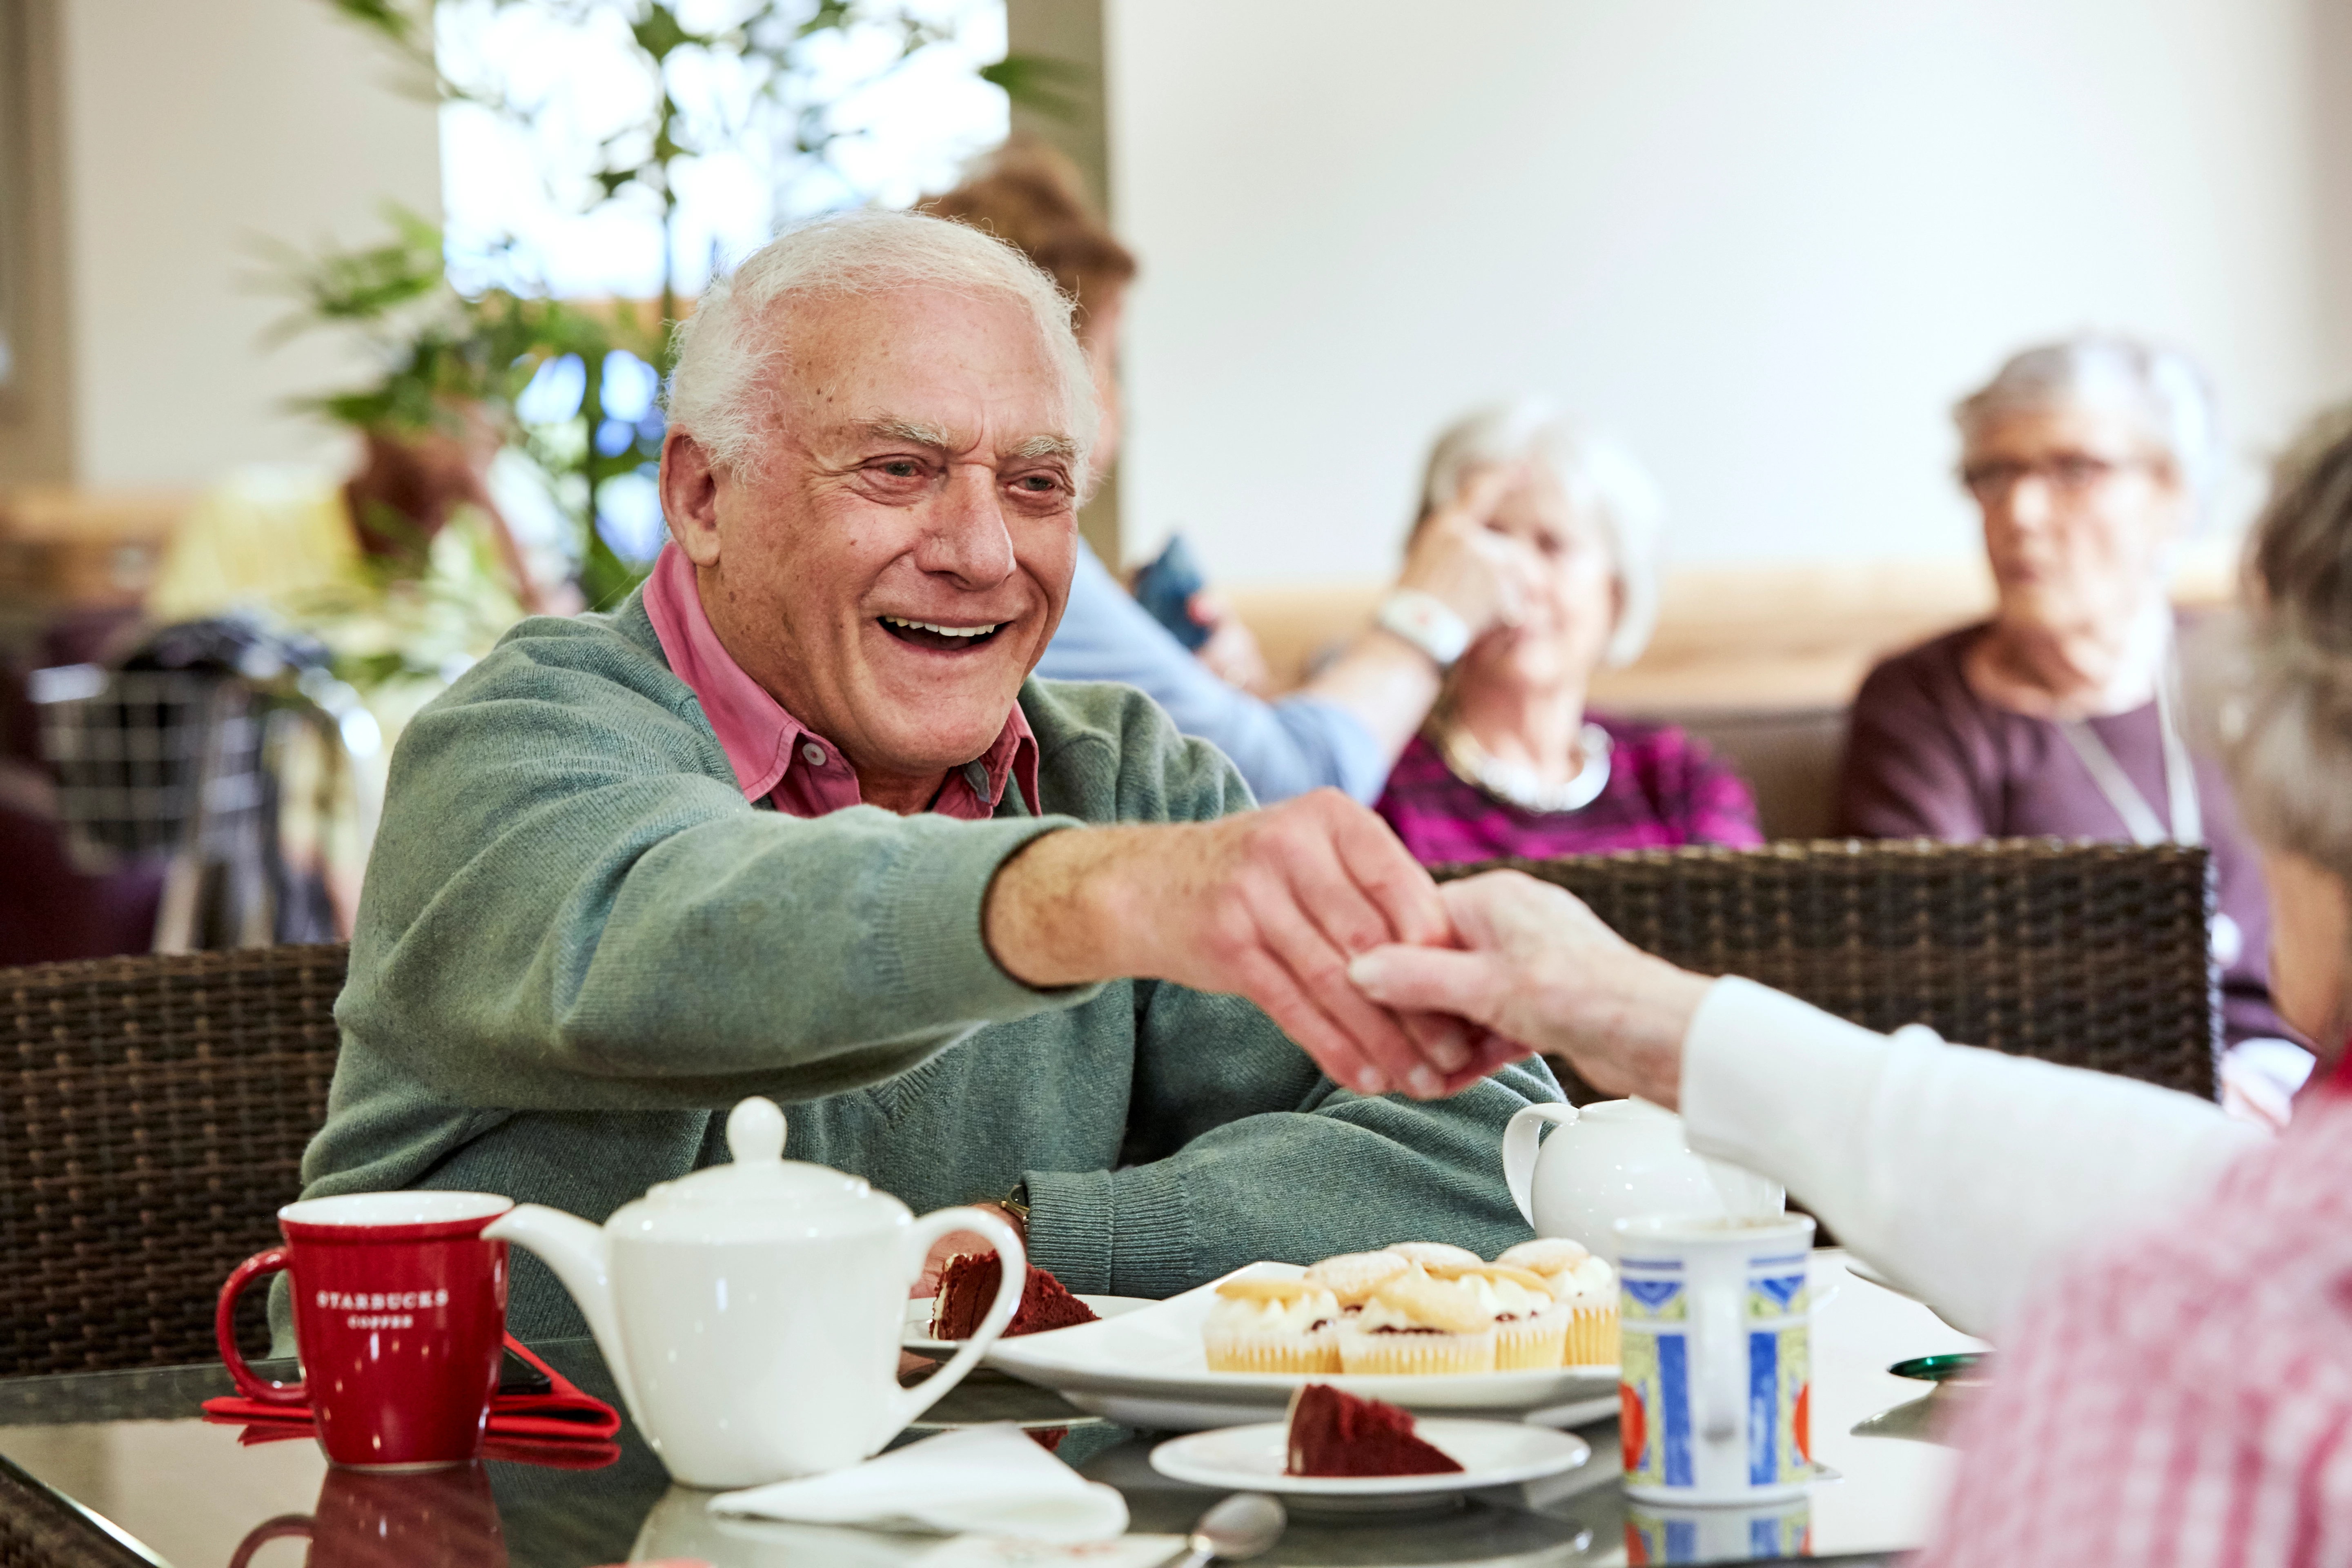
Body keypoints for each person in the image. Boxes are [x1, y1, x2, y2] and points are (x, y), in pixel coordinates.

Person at [291, 209, 1553, 1341]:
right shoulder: (514, 741)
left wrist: (1014, 1245)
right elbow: (690, 930)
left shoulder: (1121, 777)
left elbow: (1496, 1152)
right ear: (701, 493)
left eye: (1037, 484)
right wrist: (1085, 901)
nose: (983, 550)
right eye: (899, 470)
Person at [1350, 406, 2352, 1564]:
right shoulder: (2228, 1255)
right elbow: (2196, 1188)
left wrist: (1644, 1018)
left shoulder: (2187, 1362)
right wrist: (1646, 1018)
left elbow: (2190, 1225)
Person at [925, 139, 1537, 806]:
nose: (1116, 405)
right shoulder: (1004, 560)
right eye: (1107, 361)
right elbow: (1287, 790)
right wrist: (1430, 617)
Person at [1840, 336, 2308, 1122]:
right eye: (1994, 475)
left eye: (2074, 470)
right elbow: (1930, 989)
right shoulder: (1922, 703)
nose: (2019, 514)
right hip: (2063, 1116)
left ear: (2175, 493)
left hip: (2299, 1097)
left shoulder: (2265, 674)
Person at [1373, 402, 1762, 863]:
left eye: (1552, 545)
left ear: (1617, 590)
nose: (1518, 577)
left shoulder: (1678, 778)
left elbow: (1741, 927)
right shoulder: (1379, 779)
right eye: (1489, 539)